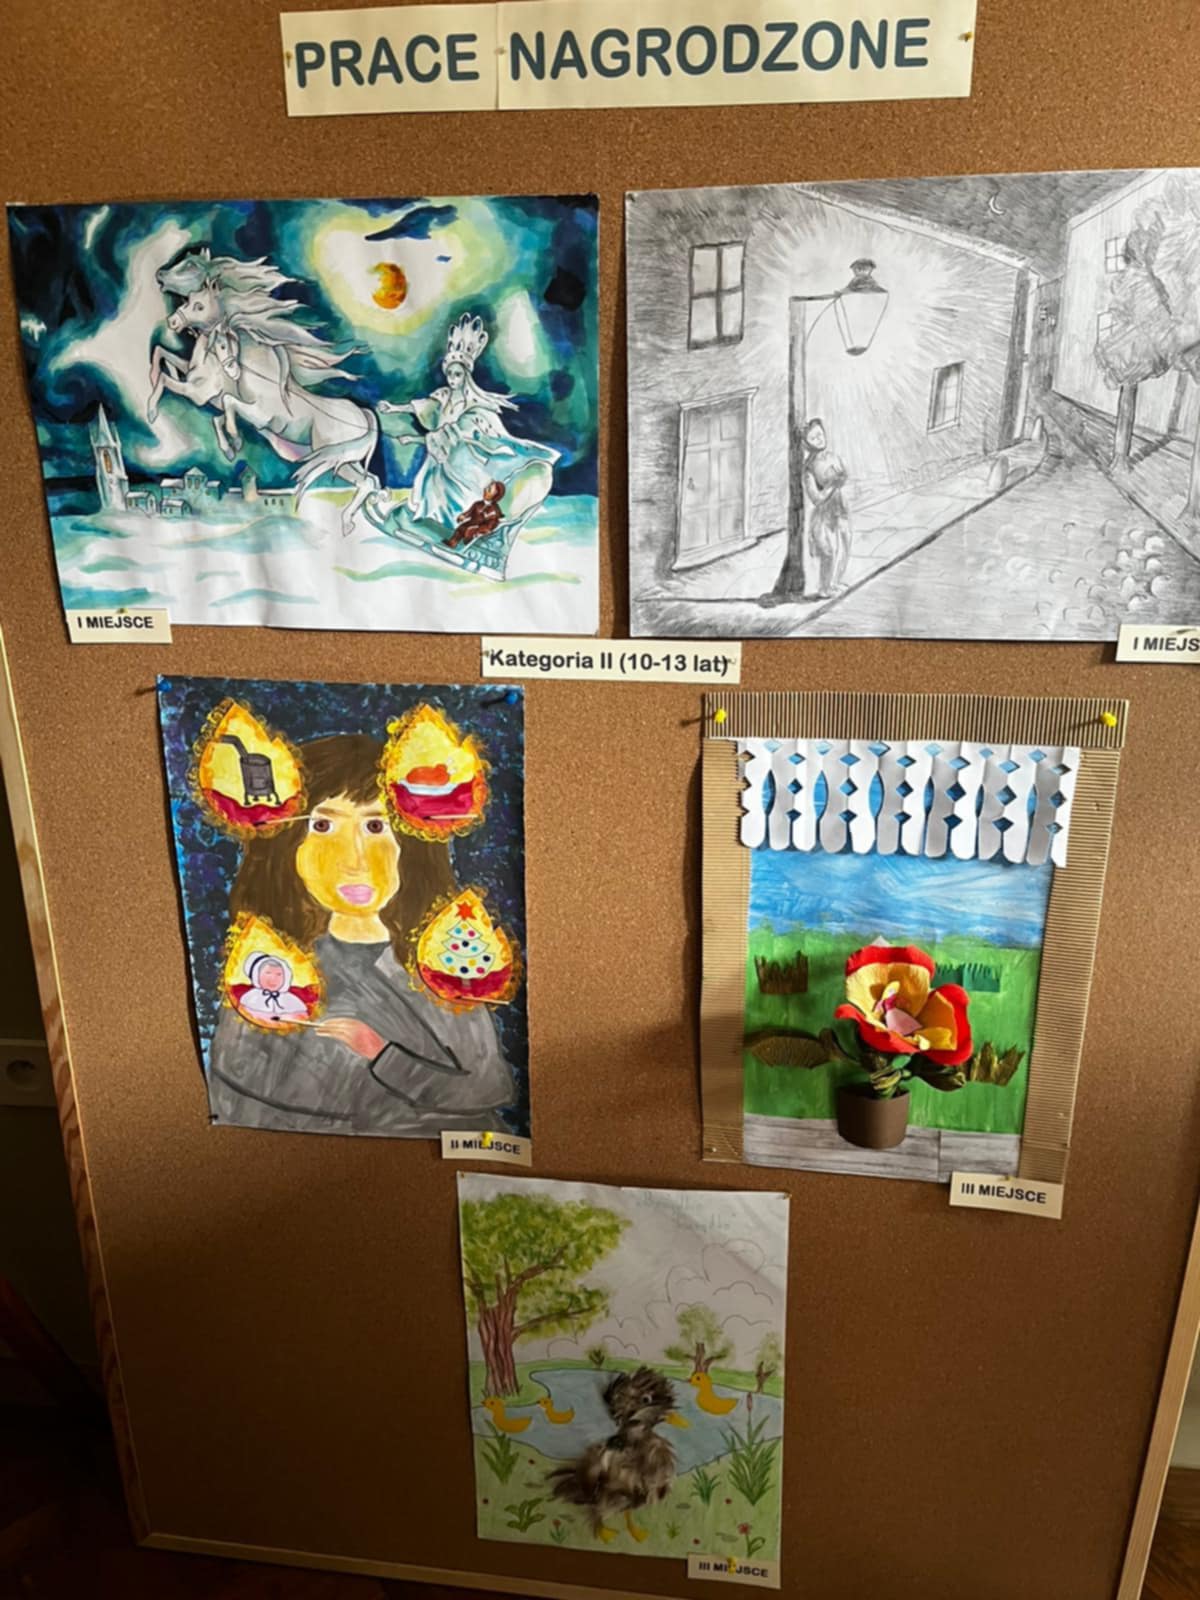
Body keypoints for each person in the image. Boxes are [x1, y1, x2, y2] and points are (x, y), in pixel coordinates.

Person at [207, 732, 517, 1137]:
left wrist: (383, 1055)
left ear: (409, 844)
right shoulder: (271, 968)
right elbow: (232, 1091)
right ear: (288, 847)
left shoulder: (440, 966)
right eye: (322, 826)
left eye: (375, 826)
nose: (354, 859)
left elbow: (486, 1089)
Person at [378, 313, 558, 534]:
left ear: (465, 375)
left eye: (457, 374)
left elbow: (457, 433)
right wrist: (394, 408)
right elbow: (424, 406)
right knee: (427, 487)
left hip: (461, 457)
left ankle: (460, 527)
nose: (452, 379)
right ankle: (434, 525)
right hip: (439, 455)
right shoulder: (443, 395)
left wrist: (415, 439)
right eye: (450, 374)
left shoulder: (474, 406)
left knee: (457, 492)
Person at [759, 418, 852, 605]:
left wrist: (841, 479)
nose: (819, 439)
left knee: (845, 545)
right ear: (806, 444)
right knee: (828, 551)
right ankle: (824, 588)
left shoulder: (833, 456)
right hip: (824, 514)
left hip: (841, 508)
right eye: (814, 438)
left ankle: (835, 582)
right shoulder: (809, 468)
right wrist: (832, 485)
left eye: (820, 434)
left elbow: (844, 474)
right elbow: (816, 498)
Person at [236, 954, 310, 1025]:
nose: (273, 978)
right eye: (268, 973)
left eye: (279, 974)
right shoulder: (251, 997)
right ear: (257, 975)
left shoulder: (291, 1000)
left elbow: (301, 1018)